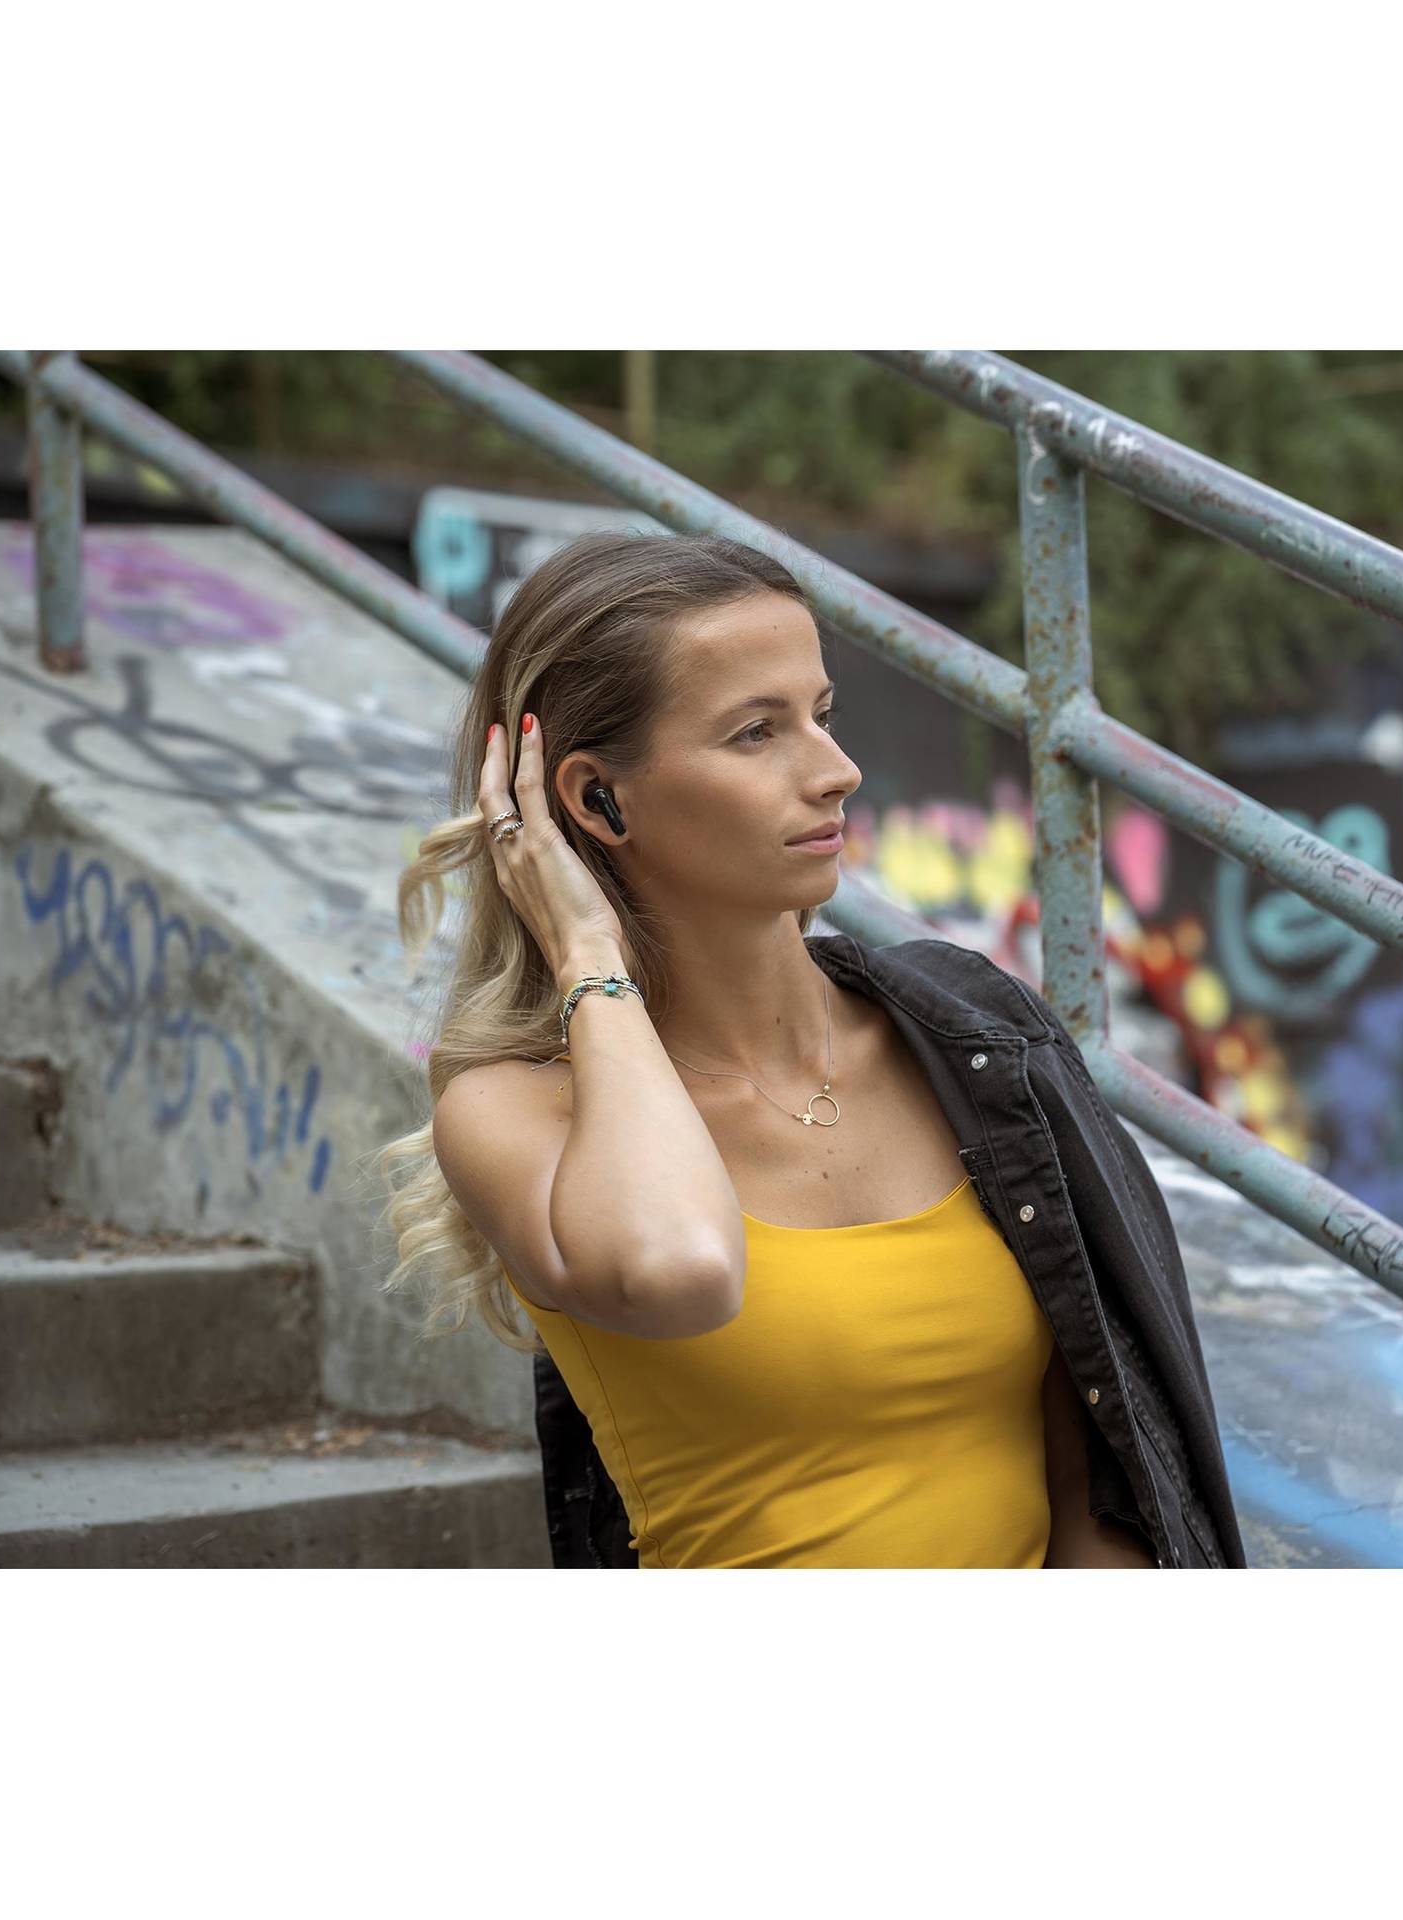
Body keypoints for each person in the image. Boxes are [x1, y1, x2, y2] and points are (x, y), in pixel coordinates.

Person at [374, 527, 1243, 1570]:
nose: (837, 771)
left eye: (821, 716)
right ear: (596, 798)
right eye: (757, 733)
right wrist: (588, 954)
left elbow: (1095, 1483)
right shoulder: (512, 1107)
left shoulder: (969, 1048)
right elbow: (678, 1269)